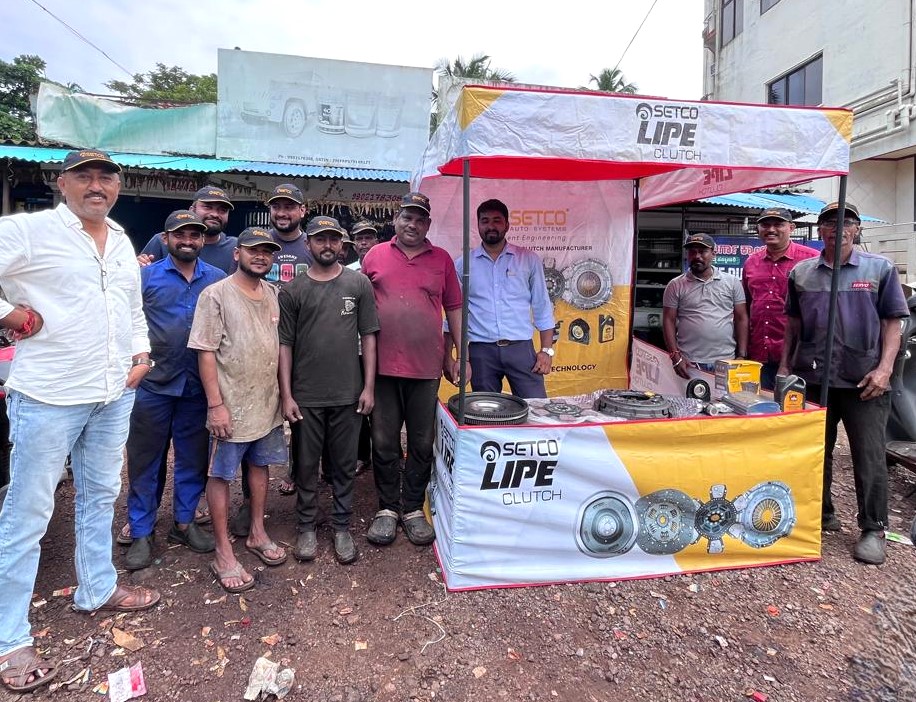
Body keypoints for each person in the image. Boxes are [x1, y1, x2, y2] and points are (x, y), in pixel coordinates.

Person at [0, 149, 160, 693]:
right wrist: (9, 314)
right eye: (84, 177)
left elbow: (131, 309)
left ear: (117, 186)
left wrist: (141, 356)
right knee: (28, 512)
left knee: (99, 495)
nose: (96, 186)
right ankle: (9, 637)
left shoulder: (120, 238)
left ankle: (97, 588)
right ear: (61, 182)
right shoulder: (31, 231)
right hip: (49, 395)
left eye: (105, 178)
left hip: (112, 393)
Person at [779, 201, 908, 565]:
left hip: (864, 379)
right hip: (814, 377)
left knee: (869, 455)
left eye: (846, 222)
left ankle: (873, 528)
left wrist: (884, 370)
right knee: (813, 450)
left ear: (857, 229)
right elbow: (793, 325)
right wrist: (786, 366)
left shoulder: (879, 269)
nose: (838, 228)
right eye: (829, 223)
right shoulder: (802, 273)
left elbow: (892, 324)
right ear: (820, 231)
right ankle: (821, 514)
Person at [123, 210, 225, 570]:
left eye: (194, 235)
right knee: (144, 460)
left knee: (192, 459)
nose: (187, 241)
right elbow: (125, 324)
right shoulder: (145, 277)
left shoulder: (217, 279)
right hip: (152, 385)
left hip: (197, 386)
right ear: (165, 239)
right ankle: (141, 530)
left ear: (202, 240)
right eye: (180, 234)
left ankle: (184, 522)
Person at [188, 227, 288, 593]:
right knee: (221, 475)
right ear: (237, 253)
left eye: (267, 251)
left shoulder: (273, 294)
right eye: (252, 250)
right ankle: (223, 552)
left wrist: (283, 395)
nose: (260, 256)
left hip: (265, 402)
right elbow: (205, 352)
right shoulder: (216, 295)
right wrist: (216, 406)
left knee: (260, 466)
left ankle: (257, 532)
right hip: (231, 405)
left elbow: (279, 347)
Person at [361, 192, 465, 546]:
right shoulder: (375, 255)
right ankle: (387, 508)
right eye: (407, 217)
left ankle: (412, 508)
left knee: (422, 441)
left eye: (420, 219)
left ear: (428, 225)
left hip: (425, 368)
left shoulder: (442, 259)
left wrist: (461, 356)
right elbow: (359, 305)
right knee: (383, 440)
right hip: (382, 368)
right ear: (396, 219)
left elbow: (454, 309)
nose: (413, 224)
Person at [278, 216, 379, 564]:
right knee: (306, 465)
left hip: (348, 393)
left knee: (344, 464)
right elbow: (285, 345)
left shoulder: (358, 284)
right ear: (308, 244)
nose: (327, 245)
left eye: (333, 239)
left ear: (342, 245)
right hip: (306, 395)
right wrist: (287, 395)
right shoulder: (293, 290)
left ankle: (341, 525)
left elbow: (369, 336)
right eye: (320, 239)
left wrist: (368, 386)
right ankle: (306, 525)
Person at [447, 198, 555, 397]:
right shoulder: (463, 265)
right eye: (485, 221)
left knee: (535, 407)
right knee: (486, 410)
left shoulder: (527, 259)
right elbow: (454, 314)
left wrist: (546, 351)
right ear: (478, 225)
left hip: (521, 349)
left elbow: (542, 306)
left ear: (507, 225)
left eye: (497, 220)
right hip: (481, 352)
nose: (491, 226)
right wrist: (455, 358)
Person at [743, 207, 819, 389]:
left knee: (795, 405)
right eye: (765, 225)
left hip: (798, 357)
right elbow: (747, 306)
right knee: (762, 404)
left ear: (791, 228)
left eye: (778, 224)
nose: (771, 229)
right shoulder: (751, 262)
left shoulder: (811, 260)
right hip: (759, 355)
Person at [663, 233, 748, 378]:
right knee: (690, 394)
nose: (697, 256)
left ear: (713, 254)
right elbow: (668, 320)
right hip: (690, 362)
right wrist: (675, 356)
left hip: (726, 361)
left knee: (723, 394)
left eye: (703, 251)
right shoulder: (675, 285)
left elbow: (741, 318)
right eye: (692, 252)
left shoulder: (732, 282)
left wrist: (742, 355)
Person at [345, 221, 381, 471]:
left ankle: (386, 453)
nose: (364, 242)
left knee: (382, 405)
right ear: (353, 244)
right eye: (360, 239)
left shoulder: (386, 267)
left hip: (383, 347)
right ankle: (361, 455)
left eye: (369, 237)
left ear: (376, 241)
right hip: (353, 348)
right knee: (356, 404)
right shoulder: (346, 273)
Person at [140, 185, 238, 272]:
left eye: (222, 210)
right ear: (192, 210)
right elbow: (141, 273)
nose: (215, 214)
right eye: (208, 207)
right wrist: (138, 264)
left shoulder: (236, 247)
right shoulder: (163, 241)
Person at [265, 183, 314, 286]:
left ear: (302, 211)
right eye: (276, 207)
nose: (281, 213)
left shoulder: (313, 246)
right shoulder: (260, 243)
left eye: (288, 207)